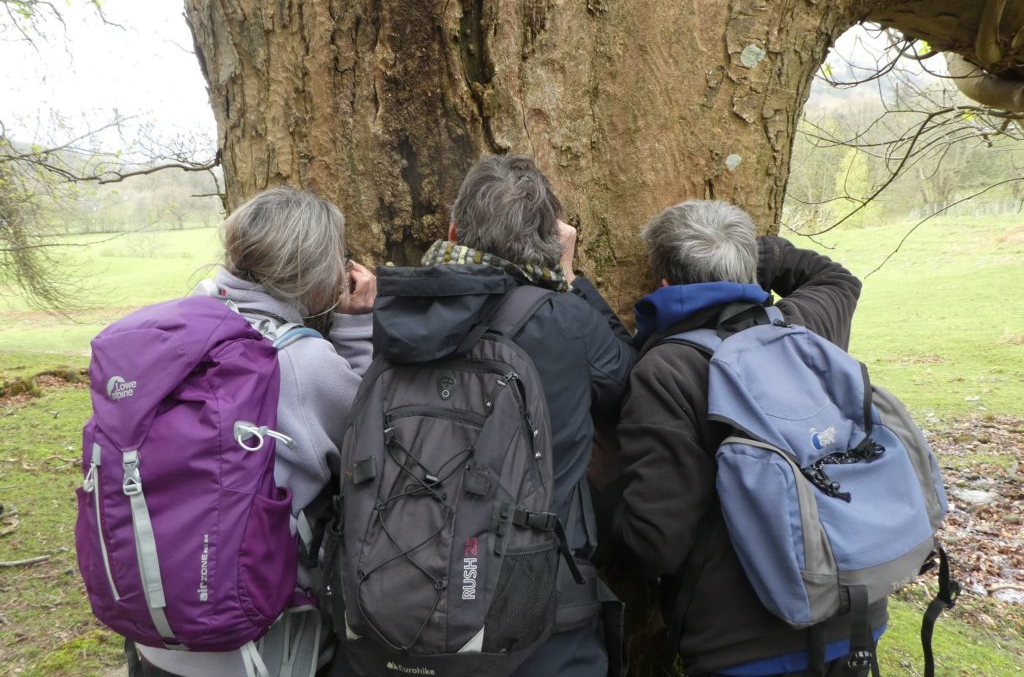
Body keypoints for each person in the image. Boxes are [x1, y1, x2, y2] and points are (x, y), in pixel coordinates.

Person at [334, 153, 636, 677]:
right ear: (549, 239)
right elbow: (627, 381)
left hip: (384, 619)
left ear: (453, 229)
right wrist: (569, 279)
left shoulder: (400, 312)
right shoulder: (564, 319)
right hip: (536, 616)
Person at [611, 200, 886, 677]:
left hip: (742, 648)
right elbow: (839, 280)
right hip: (854, 615)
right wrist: (750, 252)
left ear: (664, 286)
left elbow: (656, 543)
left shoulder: (667, 371)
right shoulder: (803, 328)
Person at [128, 187, 376, 677]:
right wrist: (356, 327)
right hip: (259, 646)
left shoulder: (165, 333)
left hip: (152, 627)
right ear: (314, 271)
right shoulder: (301, 364)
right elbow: (371, 437)